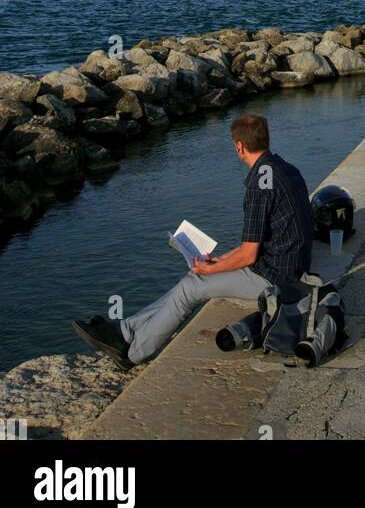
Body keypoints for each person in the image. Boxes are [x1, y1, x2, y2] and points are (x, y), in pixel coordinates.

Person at [73, 114, 314, 369]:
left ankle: (132, 354)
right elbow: (260, 241)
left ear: (239, 146)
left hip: (276, 280)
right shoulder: (286, 169)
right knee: (192, 281)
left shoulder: (258, 187)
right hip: (289, 265)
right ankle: (125, 330)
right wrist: (219, 260)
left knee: (191, 287)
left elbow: (249, 255)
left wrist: (210, 269)